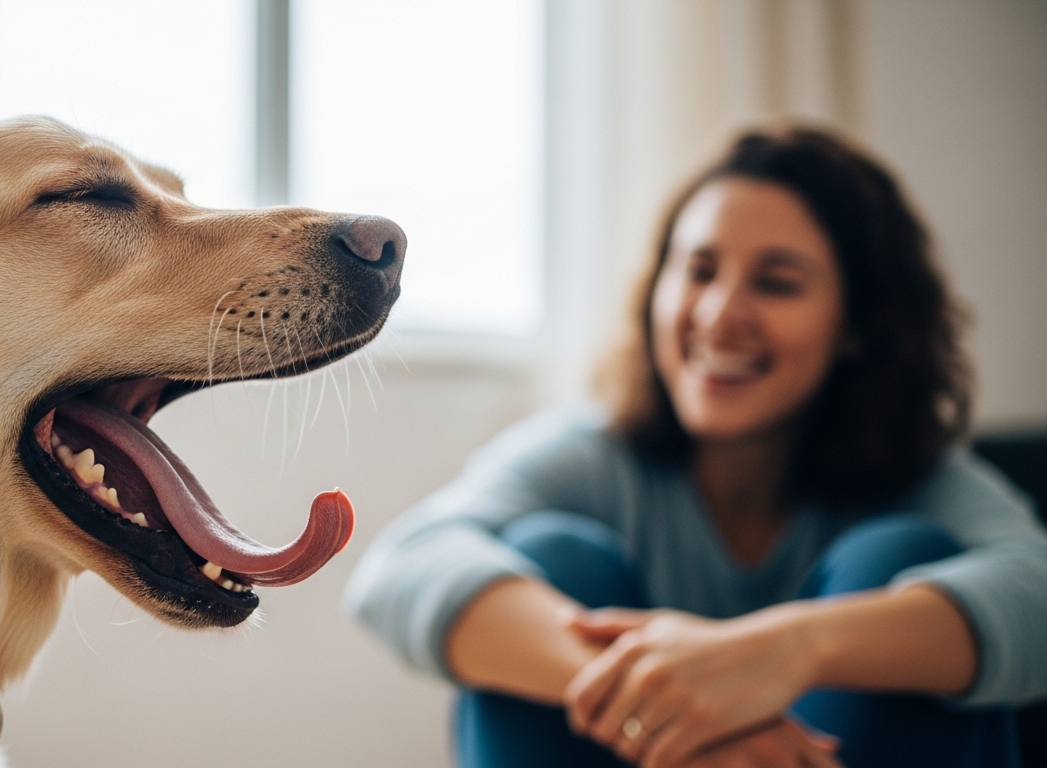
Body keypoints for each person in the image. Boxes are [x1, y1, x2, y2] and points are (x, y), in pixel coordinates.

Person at [344, 126, 1047, 768]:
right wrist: (679, 709)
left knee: (902, 557)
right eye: (699, 271)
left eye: (776, 282)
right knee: (552, 558)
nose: (718, 315)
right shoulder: (594, 453)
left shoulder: (916, 475)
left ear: (858, 324)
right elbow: (402, 567)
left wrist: (789, 650)